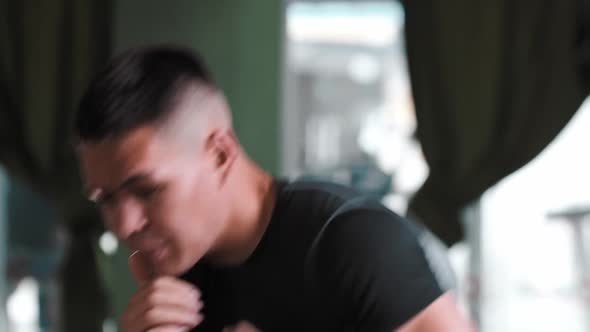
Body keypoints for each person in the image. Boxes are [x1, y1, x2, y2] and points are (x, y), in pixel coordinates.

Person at [74, 45, 474, 332]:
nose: (124, 225)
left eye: (147, 190)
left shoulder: (351, 241)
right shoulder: (176, 277)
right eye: (107, 199)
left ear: (219, 154)